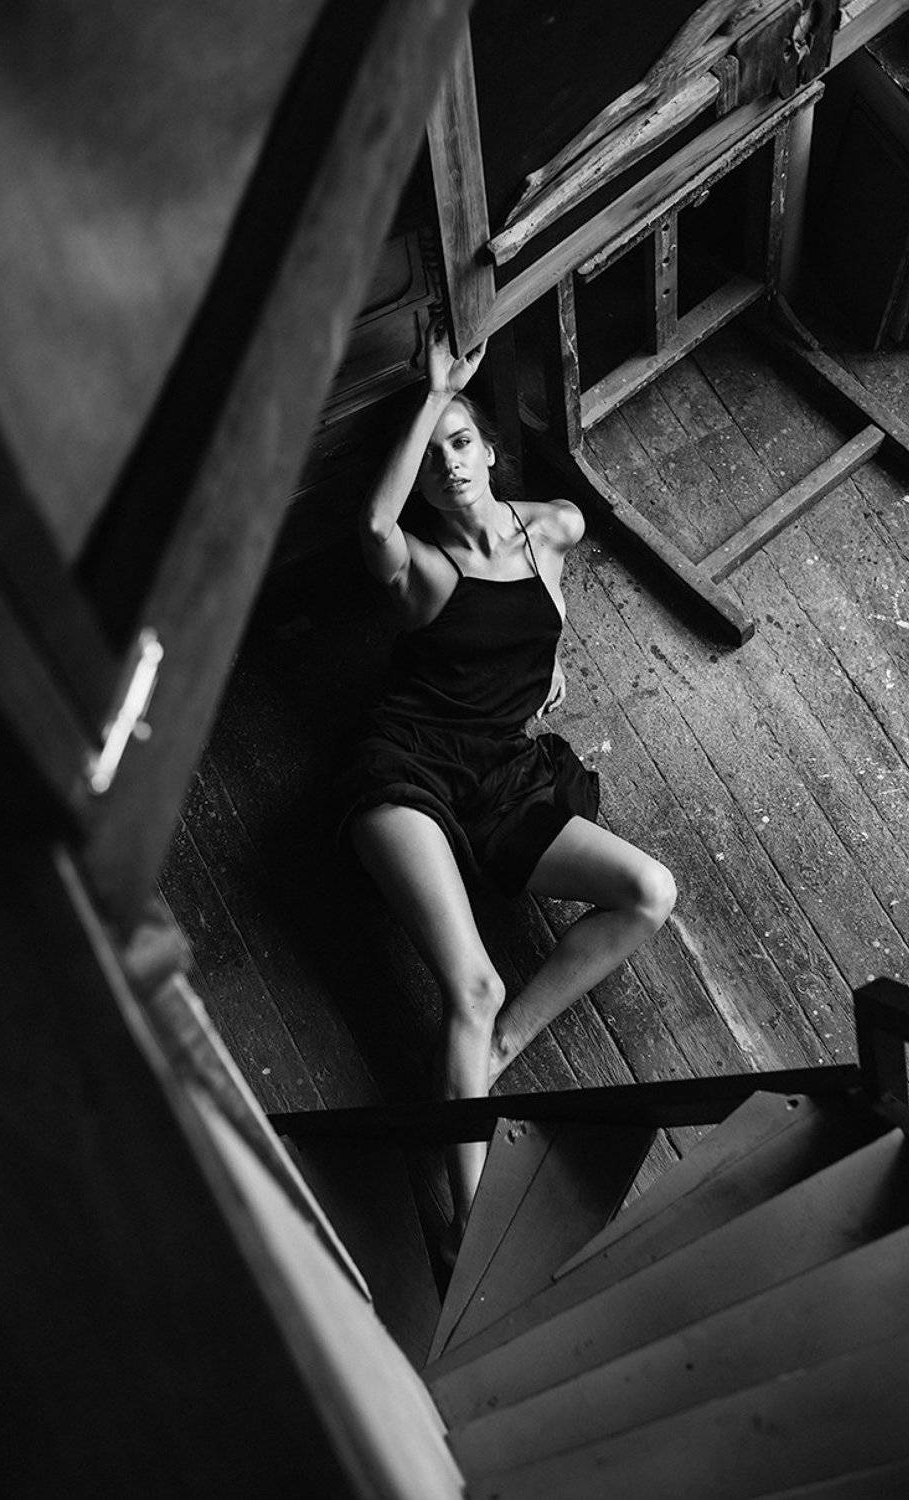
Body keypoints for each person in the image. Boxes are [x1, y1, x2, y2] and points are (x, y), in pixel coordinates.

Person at [341, 316, 676, 1249]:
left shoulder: (553, 527)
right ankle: (469, 1235)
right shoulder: (422, 569)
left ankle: (499, 1049)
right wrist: (431, 395)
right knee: (472, 985)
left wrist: (544, 664)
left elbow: (543, 608)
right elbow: (372, 525)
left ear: (489, 450)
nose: (448, 465)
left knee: (649, 892)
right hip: (407, 769)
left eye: (460, 442)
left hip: (503, 769)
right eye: (430, 456)